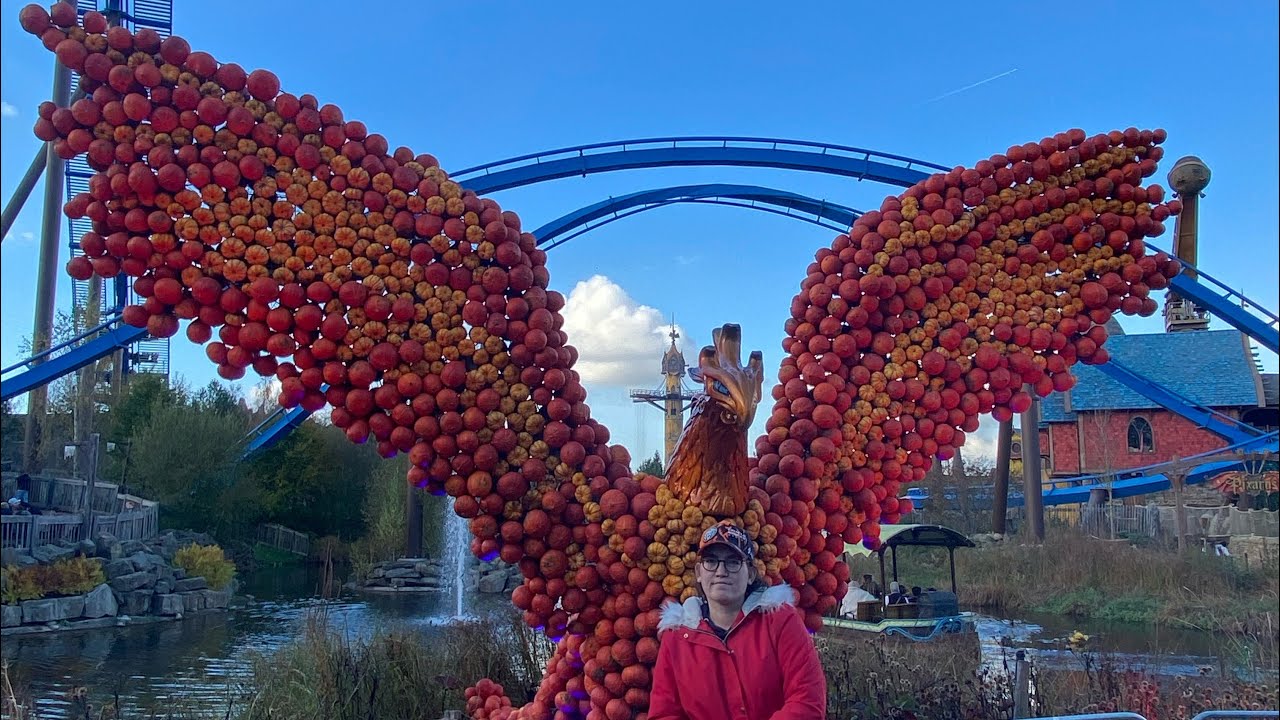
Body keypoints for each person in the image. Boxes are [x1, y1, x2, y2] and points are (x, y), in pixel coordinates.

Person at [650, 520, 826, 720]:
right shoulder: (676, 637)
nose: (721, 571)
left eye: (733, 562)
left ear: (750, 574)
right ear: (699, 573)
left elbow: (807, 700)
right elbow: (664, 713)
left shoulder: (780, 621)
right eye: (711, 562)